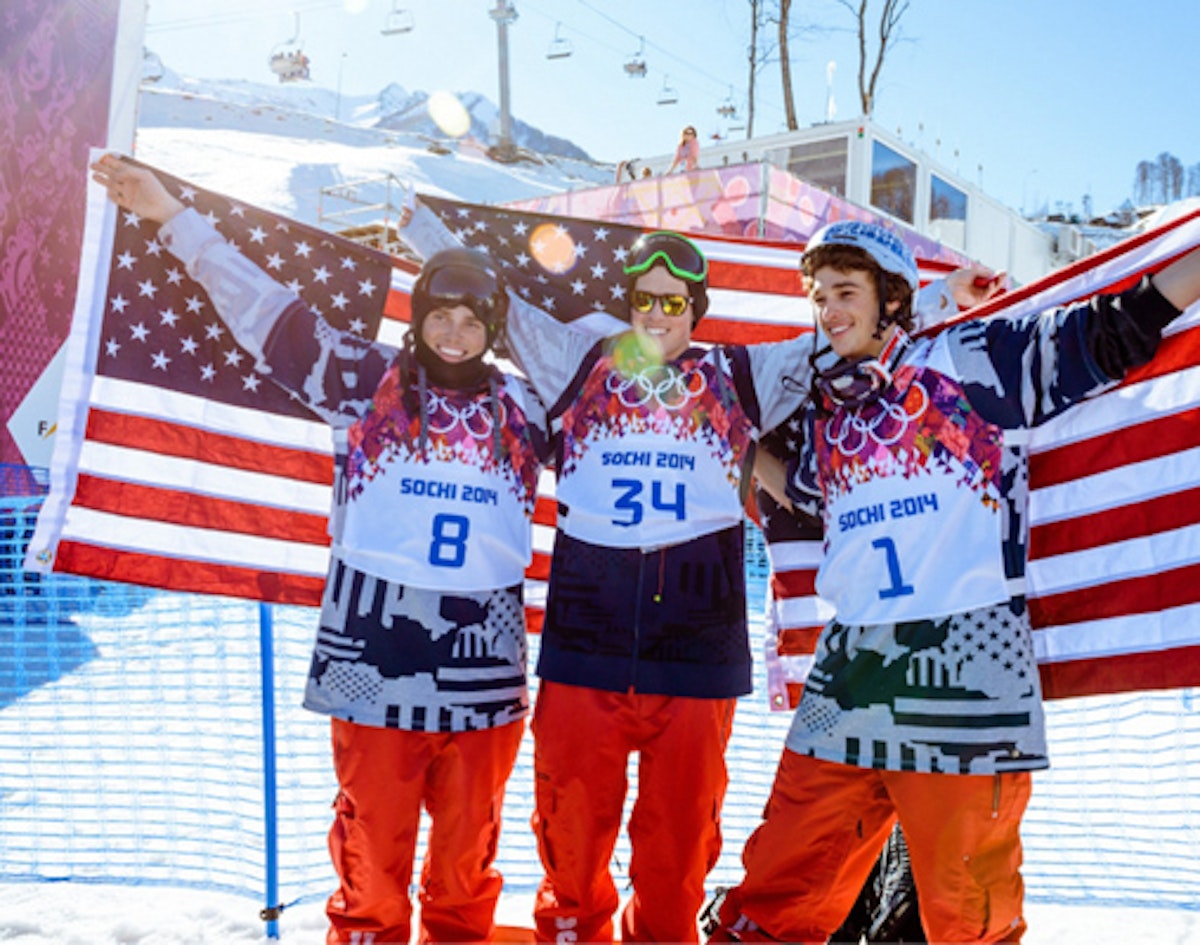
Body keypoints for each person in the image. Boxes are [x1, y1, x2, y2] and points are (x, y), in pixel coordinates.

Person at [89, 154, 552, 944]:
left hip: (486, 649)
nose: (455, 331)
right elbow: (266, 310)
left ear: (494, 328)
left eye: (474, 319)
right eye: (441, 313)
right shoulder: (365, 378)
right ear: (418, 314)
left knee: (467, 847)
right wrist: (173, 217)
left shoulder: (530, 405)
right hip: (373, 642)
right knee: (371, 843)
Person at [707, 219, 1200, 943]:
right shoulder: (828, 409)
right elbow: (802, 493)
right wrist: (726, 434)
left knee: (966, 911)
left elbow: (1113, 331)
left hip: (966, 666)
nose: (829, 311)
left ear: (894, 302)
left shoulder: (970, 360)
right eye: (819, 298)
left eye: (846, 292)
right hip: (852, 668)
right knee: (777, 889)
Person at [396, 200, 820, 941]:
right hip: (585, 648)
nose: (656, 315)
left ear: (697, 309)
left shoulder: (737, 374)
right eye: (643, 299)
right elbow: (503, 295)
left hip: (697, 655)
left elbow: (840, 338)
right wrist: (417, 225)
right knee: (570, 838)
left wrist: (940, 300)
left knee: (678, 851)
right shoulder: (579, 362)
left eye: (673, 301)